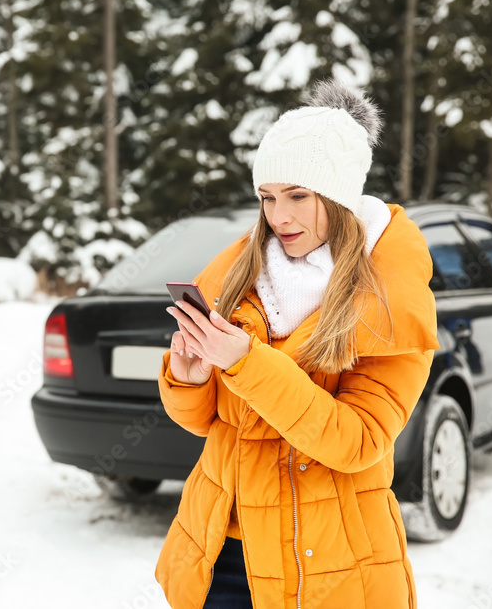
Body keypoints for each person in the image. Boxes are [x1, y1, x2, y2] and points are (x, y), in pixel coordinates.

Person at [156, 80, 440, 609]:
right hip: (223, 553)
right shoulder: (241, 275)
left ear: (338, 195)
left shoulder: (390, 296)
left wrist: (245, 363)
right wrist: (189, 380)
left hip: (326, 567)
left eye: (298, 196)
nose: (277, 216)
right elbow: (210, 424)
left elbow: (357, 443)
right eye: (267, 197)